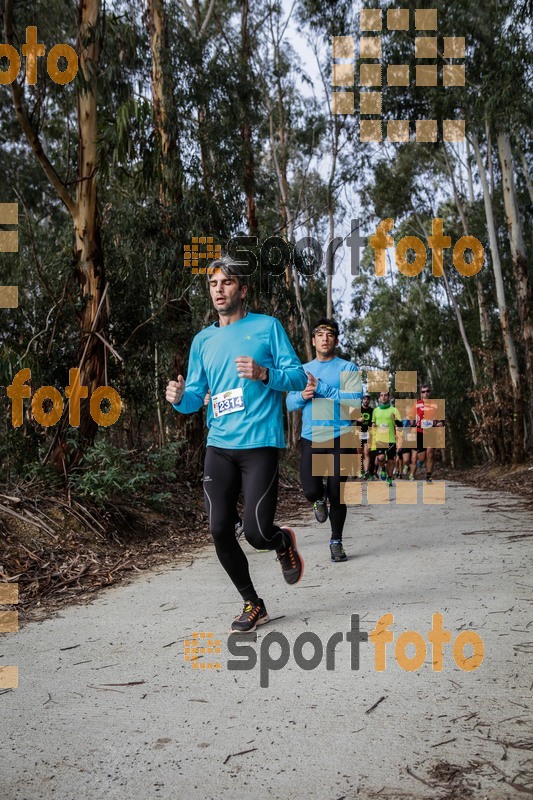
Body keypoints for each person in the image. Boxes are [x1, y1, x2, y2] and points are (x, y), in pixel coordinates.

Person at [166, 256, 307, 633]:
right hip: (220, 446)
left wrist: (265, 374)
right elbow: (197, 396)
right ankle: (252, 603)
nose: (218, 290)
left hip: (259, 443)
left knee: (257, 532)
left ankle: (281, 543)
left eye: (226, 283)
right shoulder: (203, 341)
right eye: (213, 284)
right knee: (218, 529)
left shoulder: (267, 327)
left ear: (242, 289)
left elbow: (296, 377)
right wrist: (180, 397)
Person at [286, 319, 362, 562]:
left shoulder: (348, 368)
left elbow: (354, 402)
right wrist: (302, 395)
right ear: (313, 340)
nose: (325, 338)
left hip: (342, 436)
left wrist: (323, 389)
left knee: (337, 492)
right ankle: (318, 500)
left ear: (336, 340)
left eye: (330, 334)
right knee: (310, 488)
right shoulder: (303, 369)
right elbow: (288, 403)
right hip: (312, 437)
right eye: (320, 334)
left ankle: (336, 541)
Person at [410, 385, 442, 483]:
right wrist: (412, 427)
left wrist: (440, 423)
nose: (425, 393)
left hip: (431, 431)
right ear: (421, 394)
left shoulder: (435, 404)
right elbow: (412, 418)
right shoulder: (417, 404)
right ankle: (415, 468)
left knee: (430, 454)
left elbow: (439, 418)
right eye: (423, 392)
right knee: (421, 457)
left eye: (427, 391)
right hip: (419, 432)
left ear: (430, 392)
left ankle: (429, 476)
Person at [371, 390, 401, 487]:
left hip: (391, 438)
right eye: (381, 395)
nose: (383, 397)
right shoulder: (375, 411)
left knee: (391, 460)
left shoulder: (394, 410)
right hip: (380, 438)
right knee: (381, 457)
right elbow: (373, 424)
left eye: (385, 395)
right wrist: (373, 426)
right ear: (379, 398)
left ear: (388, 397)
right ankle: (383, 469)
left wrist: (395, 419)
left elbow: (400, 425)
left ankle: (389, 477)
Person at [356, 394, 373, 479]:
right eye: (365, 399)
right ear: (362, 400)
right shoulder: (358, 409)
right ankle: (359, 470)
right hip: (359, 432)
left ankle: (366, 472)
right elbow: (350, 418)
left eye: (367, 399)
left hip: (368, 433)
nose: (366, 401)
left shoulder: (372, 410)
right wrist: (357, 419)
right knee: (359, 453)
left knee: (367, 452)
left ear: (369, 401)